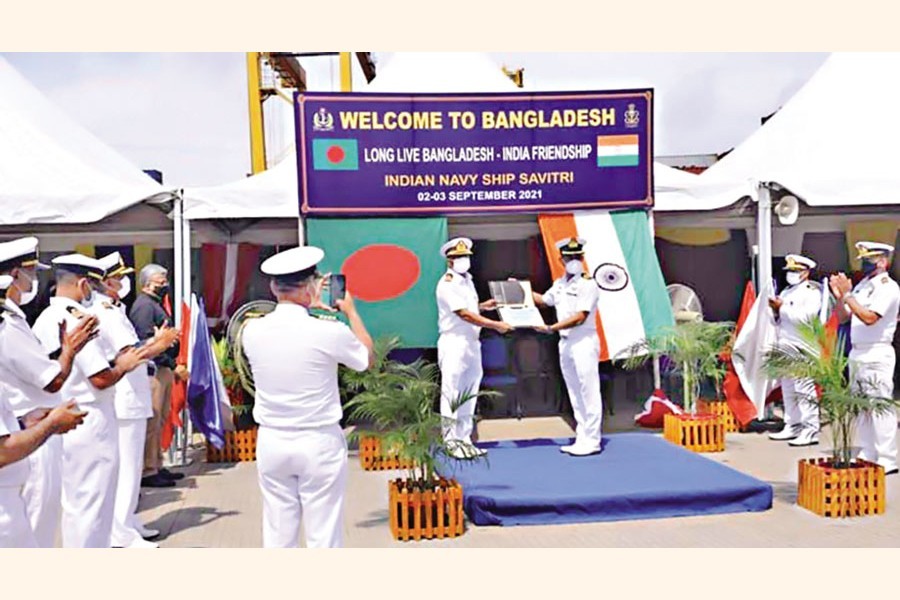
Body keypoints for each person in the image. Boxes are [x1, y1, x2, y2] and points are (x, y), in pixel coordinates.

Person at [241, 246, 373, 548]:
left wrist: (311, 309)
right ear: (312, 286)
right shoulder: (328, 331)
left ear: (274, 287)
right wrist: (350, 312)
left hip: (273, 439)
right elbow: (365, 359)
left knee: (277, 533)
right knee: (323, 535)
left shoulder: (252, 330)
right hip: (318, 441)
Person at [32, 254, 146, 547]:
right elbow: (100, 377)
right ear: (83, 284)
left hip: (65, 414)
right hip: (88, 417)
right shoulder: (72, 318)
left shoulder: (46, 317)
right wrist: (126, 364)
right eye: (92, 287)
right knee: (92, 506)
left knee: (79, 504)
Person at [0, 236, 99, 547]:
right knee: (37, 529)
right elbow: (52, 381)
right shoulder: (7, 323)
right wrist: (69, 350)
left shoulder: (14, 319)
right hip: (28, 438)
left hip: (25, 426)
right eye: (30, 272)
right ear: (13, 276)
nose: (34, 280)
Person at [93, 252, 180, 548]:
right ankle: (120, 531)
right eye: (118, 277)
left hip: (133, 393)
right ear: (104, 282)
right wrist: (160, 343)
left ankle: (127, 521)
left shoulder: (114, 309)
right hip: (124, 398)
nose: (123, 282)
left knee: (128, 468)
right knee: (127, 467)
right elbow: (129, 354)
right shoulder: (104, 311)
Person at [435, 237, 511, 458]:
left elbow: (470, 308)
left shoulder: (467, 280)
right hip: (454, 341)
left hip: (471, 342)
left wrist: (483, 307)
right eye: (458, 257)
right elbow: (463, 314)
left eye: (465, 257)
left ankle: (465, 439)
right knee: (452, 392)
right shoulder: (447, 283)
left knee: (470, 390)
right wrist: (495, 325)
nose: (463, 261)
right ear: (449, 261)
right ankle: (451, 442)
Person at [829, 241, 900, 475]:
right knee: (862, 406)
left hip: (877, 351)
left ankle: (887, 457)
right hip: (858, 351)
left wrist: (848, 295)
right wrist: (840, 296)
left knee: (880, 405)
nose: (864, 263)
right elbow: (843, 318)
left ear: (883, 261)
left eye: (869, 259)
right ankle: (869, 452)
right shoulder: (862, 286)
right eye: (862, 259)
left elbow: (870, 317)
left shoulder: (887, 287)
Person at [532, 237, 602, 456]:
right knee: (574, 392)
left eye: (577, 257)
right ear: (561, 260)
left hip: (583, 340)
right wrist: (519, 290)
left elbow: (580, 316)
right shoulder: (560, 283)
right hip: (565, 343)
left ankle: (592, 440)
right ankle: (582, 436)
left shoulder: (588, 283)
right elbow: (544, 300)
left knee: (588, 390)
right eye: (569, 257)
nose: (574, 260)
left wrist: (552, 328)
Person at [129, 264, 187, 488]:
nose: (165, 285)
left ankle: (157, 464)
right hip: (153, 369)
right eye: (159, 282)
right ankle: (148, 470)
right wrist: (172, 365)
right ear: (146, 283)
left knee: (161, 419)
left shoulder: (154, 304)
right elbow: (147, 342)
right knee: (152, 421)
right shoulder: (144, 307)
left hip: (163, 369)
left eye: (165, 280)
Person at [767, 254, 823, 446]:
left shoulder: (812, 292)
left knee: (804, 390)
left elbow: (806, 319)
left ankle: (811, 429)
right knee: (788, 389)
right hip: (786, 344)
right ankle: (792, 425)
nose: (791, 274)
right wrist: (776, 309)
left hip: (802, 347)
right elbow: (780, 318)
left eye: (795, 271)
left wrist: (782, 308)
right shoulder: (787, 292)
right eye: (789, 271)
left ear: (805, 273)